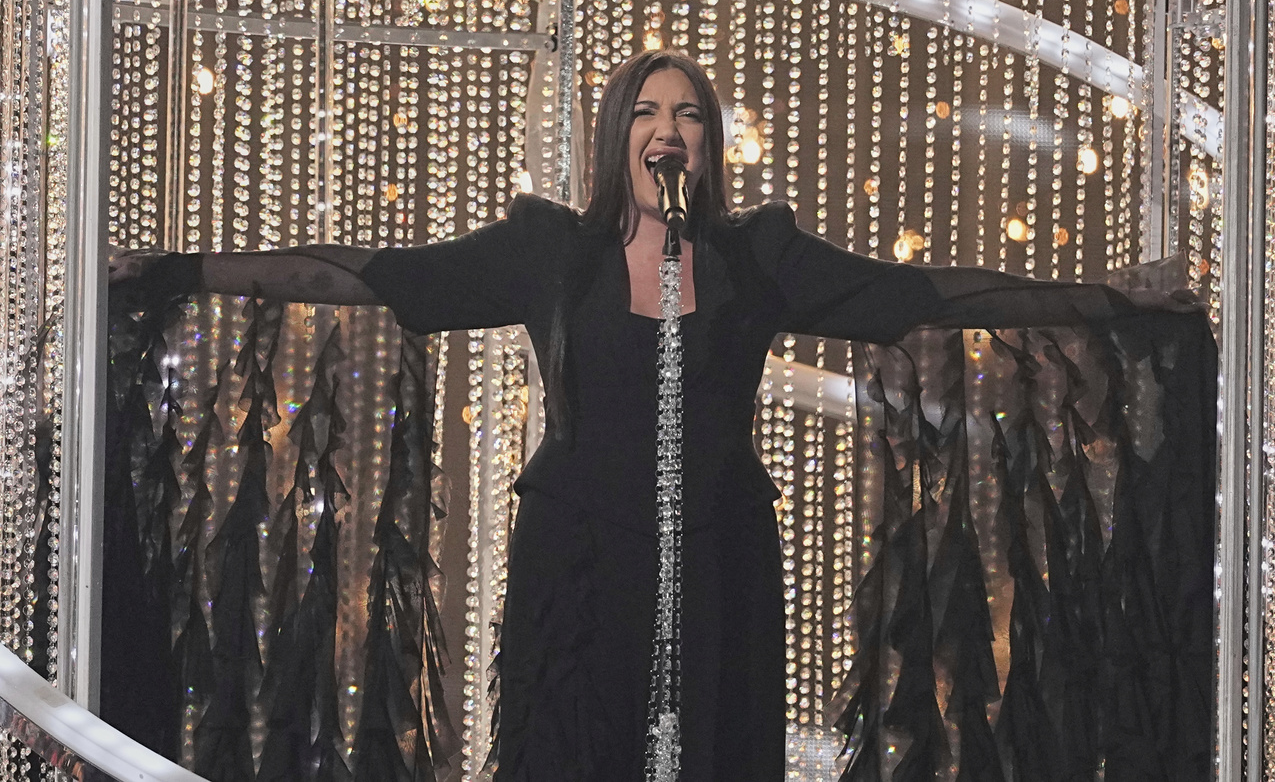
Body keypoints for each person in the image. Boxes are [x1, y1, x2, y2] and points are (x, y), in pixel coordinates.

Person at [110, 50, 1197, 781]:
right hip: (577, 565)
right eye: (648, 109)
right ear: (615, 134)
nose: (667, 127)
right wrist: (184, 265)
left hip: (717, 560)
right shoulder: (550, 251)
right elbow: (371, 274)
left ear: (709, 145)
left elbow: (934, 296)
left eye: (688, 114)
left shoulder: (752, 256)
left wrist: (1115, 301)